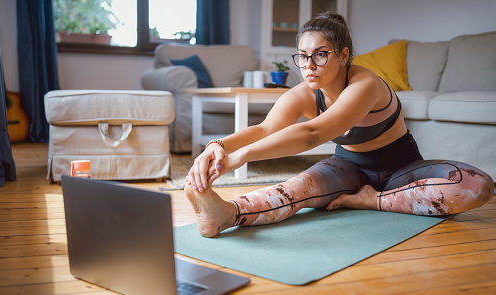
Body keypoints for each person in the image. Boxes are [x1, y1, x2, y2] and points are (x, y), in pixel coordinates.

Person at [185, 12, 494, 238]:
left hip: (402, 167)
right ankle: (225, 214)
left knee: (476, 186)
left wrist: (240, 157)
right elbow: (266, 129)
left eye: (320, 55)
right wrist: (217, 147)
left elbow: (313, 133)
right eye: (303, 56)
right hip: (347, 167)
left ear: (344, 55)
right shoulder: (303, 94)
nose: (309, 66)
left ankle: (373, 201)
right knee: (297, 188)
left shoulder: (365, 84)